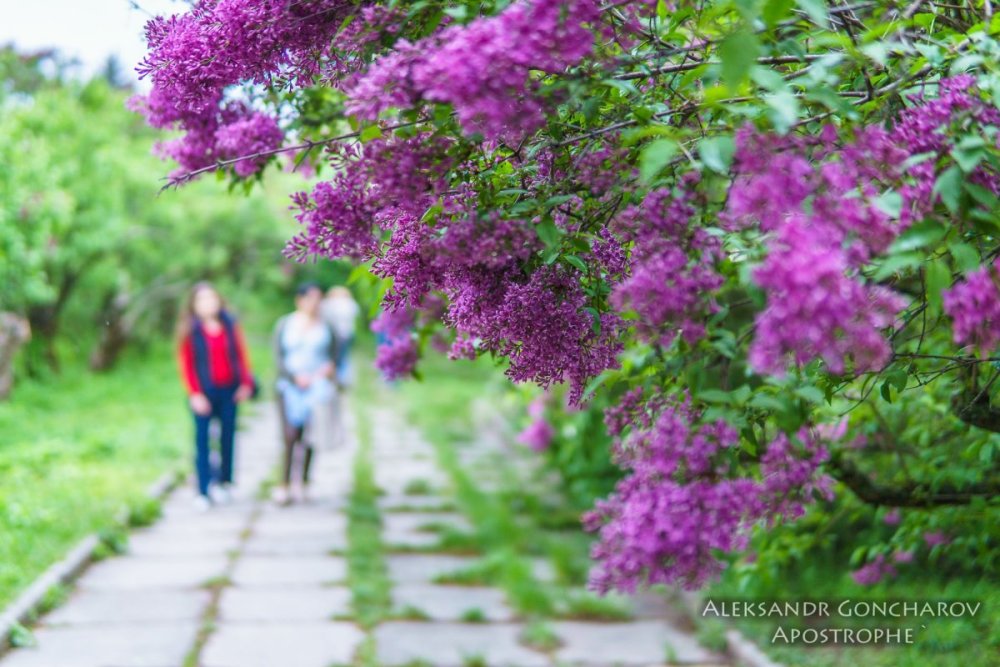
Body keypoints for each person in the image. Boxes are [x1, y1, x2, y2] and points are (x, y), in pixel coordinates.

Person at [176, 282, 254, 511]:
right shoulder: (191, 330)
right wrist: (195, 394)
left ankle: (224, 482)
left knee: (227, 437)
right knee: (202, 441)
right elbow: (187, 366)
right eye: (202, 300)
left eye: (212, 298)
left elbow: (241, 355)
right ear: (194, 305)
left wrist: (245, 383)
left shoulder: (230, 326)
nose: (208, 303)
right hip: (204, 392)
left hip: (229, 390)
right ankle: (202, 489)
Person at [273, 283, 337, 505]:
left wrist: (325, 371)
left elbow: (335, 356)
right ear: (299, 300)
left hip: (316, 387)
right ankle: (284, 483)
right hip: (289, 386)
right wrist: (294, 377)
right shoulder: (285, 324)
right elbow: (278, 358)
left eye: (318, 299)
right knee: (290, 435)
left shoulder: (327, 327)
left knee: (311, 436)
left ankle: (306, 481)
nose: (314, 303)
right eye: (310, 298)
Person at [321, 286, 360, 387]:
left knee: (336, 357)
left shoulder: (332, 303)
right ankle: (343, 378)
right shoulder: (350, 303)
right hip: (347, 334)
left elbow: (325, 315)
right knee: (344, 356)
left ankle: (339, 378)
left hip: (337, 334)